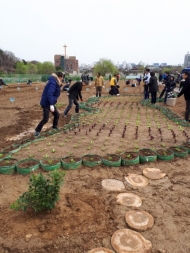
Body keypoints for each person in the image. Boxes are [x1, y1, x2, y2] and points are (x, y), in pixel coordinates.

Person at [34, 72, 63, 136]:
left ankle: (54, 127)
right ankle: (37, 131)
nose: (62, 79)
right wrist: (51, 104)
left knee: (57, 114)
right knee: (45, 118)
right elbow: (49, 94)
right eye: (62, 77)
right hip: (46, 103)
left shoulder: (54, 81)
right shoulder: (53, 82)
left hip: (49, 102)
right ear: (60, 77)